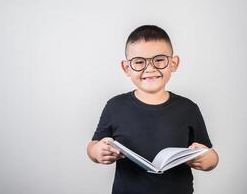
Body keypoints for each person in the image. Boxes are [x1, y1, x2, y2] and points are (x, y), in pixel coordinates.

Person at [86, 25, 219, 194]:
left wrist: (207, 159)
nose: (149, 68)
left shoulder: (188, 108)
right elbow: (93, 146)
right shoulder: (115, 106)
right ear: (126, 68)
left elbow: (210, 155)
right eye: (139, 62)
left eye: (159, 60)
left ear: (173, 63)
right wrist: (98, 151)